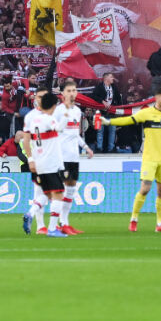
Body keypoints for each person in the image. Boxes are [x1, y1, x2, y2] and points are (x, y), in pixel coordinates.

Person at [98, 84, 161, 232]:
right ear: (157, 98)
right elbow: (128, 120)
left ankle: (160, 224)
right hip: (150, 158)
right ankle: (134, 219)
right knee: (145, 188)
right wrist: (109, 122)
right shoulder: (146, 113)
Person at [22, 91, 69, 237]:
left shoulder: (35, 120)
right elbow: (60, 128)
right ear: (53, 106)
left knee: (46, 194)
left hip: (40, 161)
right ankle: (52, 228)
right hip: (51, 163)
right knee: (58, 194)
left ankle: (30, 213)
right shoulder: (49, 119)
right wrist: (66, 115)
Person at [51, 78, 94, 235]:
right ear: (62, 94)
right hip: (61, 157)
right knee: (59, 192)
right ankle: (54, 225)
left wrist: (86, 147)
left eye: (74, 90)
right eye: (68, 91)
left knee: (71, 190)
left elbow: (75, 135)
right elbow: (51, 131)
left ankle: (65, 223)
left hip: (74, 157)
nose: (71, 93)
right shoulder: (58, 111)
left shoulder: (77, 111)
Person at [90, 73, 122, 152]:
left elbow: (119, 98)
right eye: (111, 77)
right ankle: (99, 148)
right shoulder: (99, 87)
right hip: (101, 112)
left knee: (112, 130)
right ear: (106, 78)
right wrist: (102, 101)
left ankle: (111, 148)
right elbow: (93, 96)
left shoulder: (114, 87)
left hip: (111, 113)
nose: (113, 78)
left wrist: (117, 108)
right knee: (100, 131)